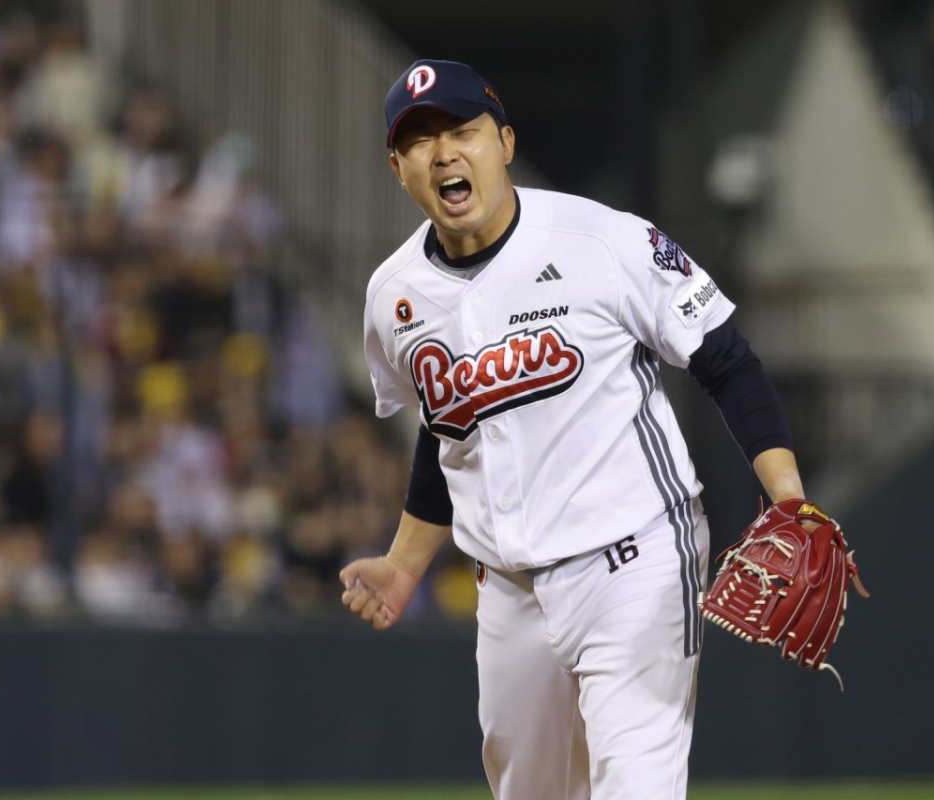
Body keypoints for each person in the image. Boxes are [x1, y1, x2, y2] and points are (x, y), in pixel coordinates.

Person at [341, 59, 812, 799]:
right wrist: (403, 566)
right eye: (421, 140)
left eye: (462, 130)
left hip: (634, 566)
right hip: (507, 592)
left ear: (503, 142)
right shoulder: (392, 297)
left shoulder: (601, 240)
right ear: (399, 168)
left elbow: (726, 359)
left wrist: (786, 497)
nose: (445, 153)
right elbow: (450, 431)